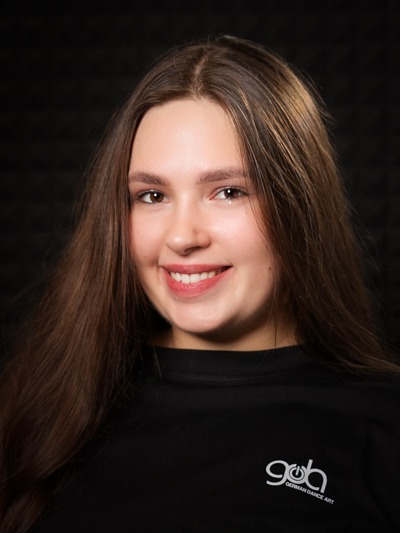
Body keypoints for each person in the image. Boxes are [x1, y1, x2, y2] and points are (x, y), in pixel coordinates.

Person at [1, 34, 399, 533]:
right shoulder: (41, 408)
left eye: (228, 192)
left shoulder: (383, 429)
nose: (182, 237)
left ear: (299, 204)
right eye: (152, 196)